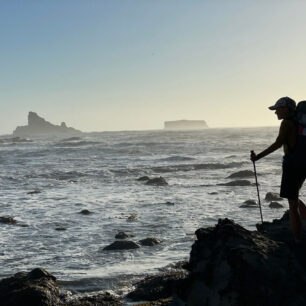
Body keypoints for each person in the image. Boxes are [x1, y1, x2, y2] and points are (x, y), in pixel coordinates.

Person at [251, 96, 306, 244]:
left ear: (286, 109)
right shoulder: (300, 123)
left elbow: (278, 144)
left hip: (292, 165)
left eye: (277, 109)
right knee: (294, 197)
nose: (275, 112)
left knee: (292, 204)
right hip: (303, 163)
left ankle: (298, 240)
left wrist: (258, 157)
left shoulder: (287, 123)